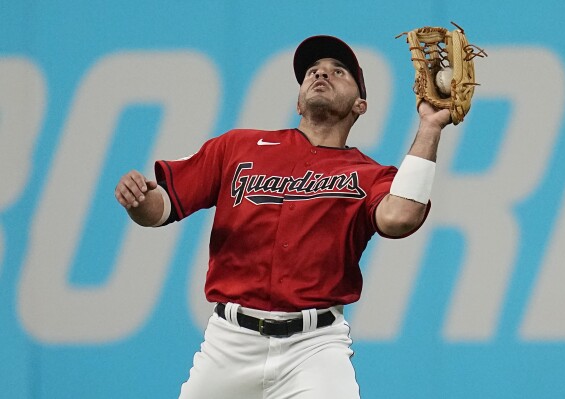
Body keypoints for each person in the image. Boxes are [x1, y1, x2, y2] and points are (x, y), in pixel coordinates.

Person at [115, 35, 450, 399]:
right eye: (312, 71)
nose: (322, 74)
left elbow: (400, 216)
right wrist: (138, 201)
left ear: (360, 104)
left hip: (315, 347)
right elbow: (161, 208)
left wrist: (429, 128)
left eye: (338, 71)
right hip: (229, 344)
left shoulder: (369, 175)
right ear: (298, 99)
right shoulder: (237, 147)